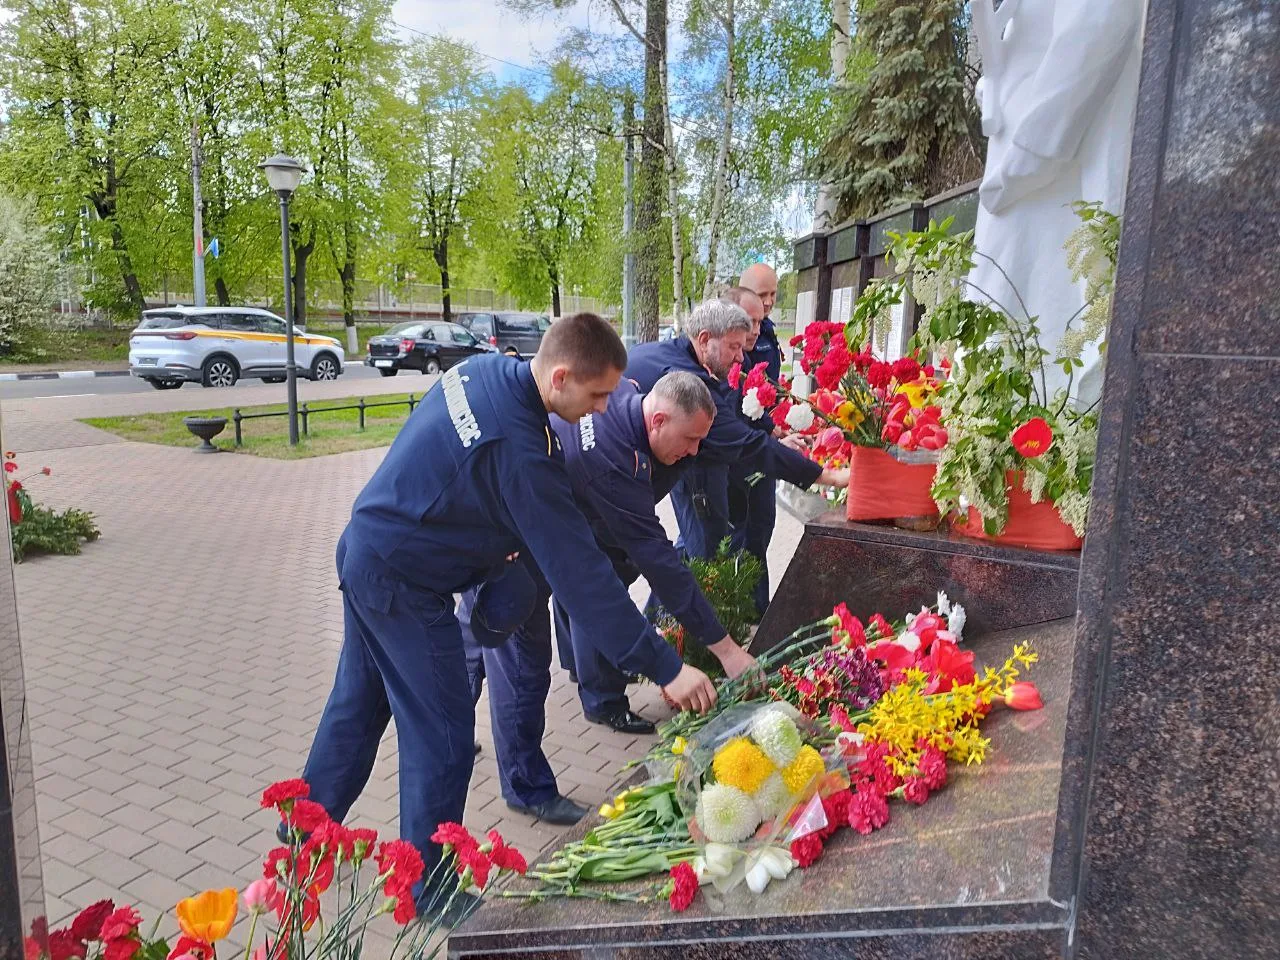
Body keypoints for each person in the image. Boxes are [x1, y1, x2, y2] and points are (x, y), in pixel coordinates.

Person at [287, 314, 717, 907]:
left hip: (370, 549)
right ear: (561, 376)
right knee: (443, 736)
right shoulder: (522, 450)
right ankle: (429, 889)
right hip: (405, 587)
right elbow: (583, 577)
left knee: (357, 708)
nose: (600, 410)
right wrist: (666, 667)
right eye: (595, 395)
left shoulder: (487, 372)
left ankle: (301, 830)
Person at [537, 371, 758, 734]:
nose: (694, 451)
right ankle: (603, 702)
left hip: (581, 505)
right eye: (690, 439)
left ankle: (583, 669)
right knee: (596, 594)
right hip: (555, 515)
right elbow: (662, 566)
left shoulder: (630, 396)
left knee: (578, 599)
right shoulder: (614, 462)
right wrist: (727, 651)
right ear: (657, 421)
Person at [626, 299, 848, 565]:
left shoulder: (672, 351)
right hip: (611, 474)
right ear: (705, 339)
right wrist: (830, 477)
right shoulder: (691, 383)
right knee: (705, 556)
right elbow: (747, 445)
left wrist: (771, 428)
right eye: (733, 347)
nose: (740, 357)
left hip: (625, 467)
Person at [726, 265, 783, 618]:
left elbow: (768, 389)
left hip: (764, 443)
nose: (770, 303)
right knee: (726, 535)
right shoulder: (734, 336)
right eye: (762, 296)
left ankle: (755, 608)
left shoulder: (768, 332)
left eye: (774, 295)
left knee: (761, 526)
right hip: (738, 449)